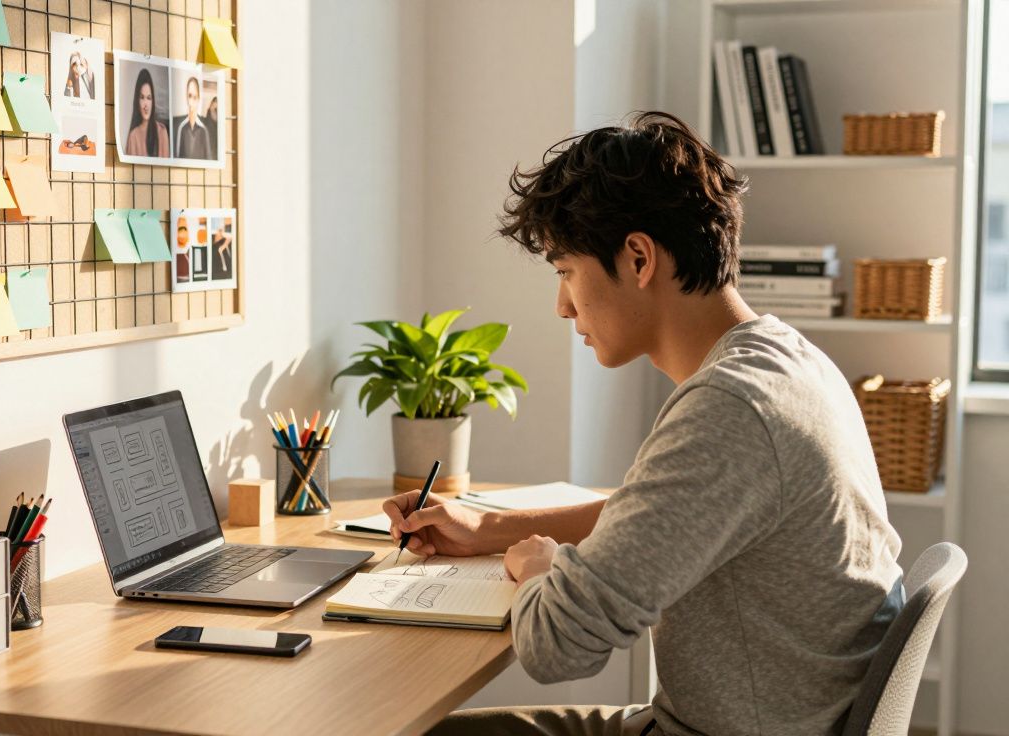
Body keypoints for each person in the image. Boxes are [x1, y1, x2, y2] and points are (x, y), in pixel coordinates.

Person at [384, 111, 904, 736]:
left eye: (565, 272)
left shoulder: (730, 410)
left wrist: (541, 566)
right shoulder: (787, 359)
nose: (561, 305)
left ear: (637, 258)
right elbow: (654, 518)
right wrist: (493, 528)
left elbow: (559, 644)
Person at [126, 68, 170, 158]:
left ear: (152, 101)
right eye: (142, 97)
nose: (146, 104)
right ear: (137, 101)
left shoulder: (162, 131)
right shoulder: (133, 136)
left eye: (149, 98)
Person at [175, 76, 213, 160]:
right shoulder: (181, 129)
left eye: (195, 97)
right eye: (189, 96)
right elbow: (177, 158)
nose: (191, 101)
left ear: (199, 99)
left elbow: (209, 159)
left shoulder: (204, 130)